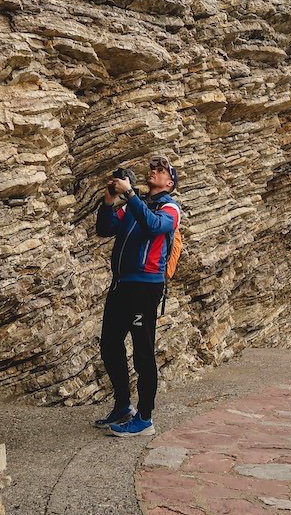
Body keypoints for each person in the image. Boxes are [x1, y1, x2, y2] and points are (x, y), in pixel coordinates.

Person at [93, 154, 181, 437]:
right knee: (109, 344)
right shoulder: (136, 205)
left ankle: (144, 418)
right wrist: (109, 200)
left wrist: (130, 194)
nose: (154, 171)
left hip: (146, 287)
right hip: (122, 285)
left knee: (143, 352)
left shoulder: (171, 208)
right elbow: (104, 228)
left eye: (161, 170)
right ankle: (122, 406)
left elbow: (155, 226)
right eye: (152, 168)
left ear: (170, 182)